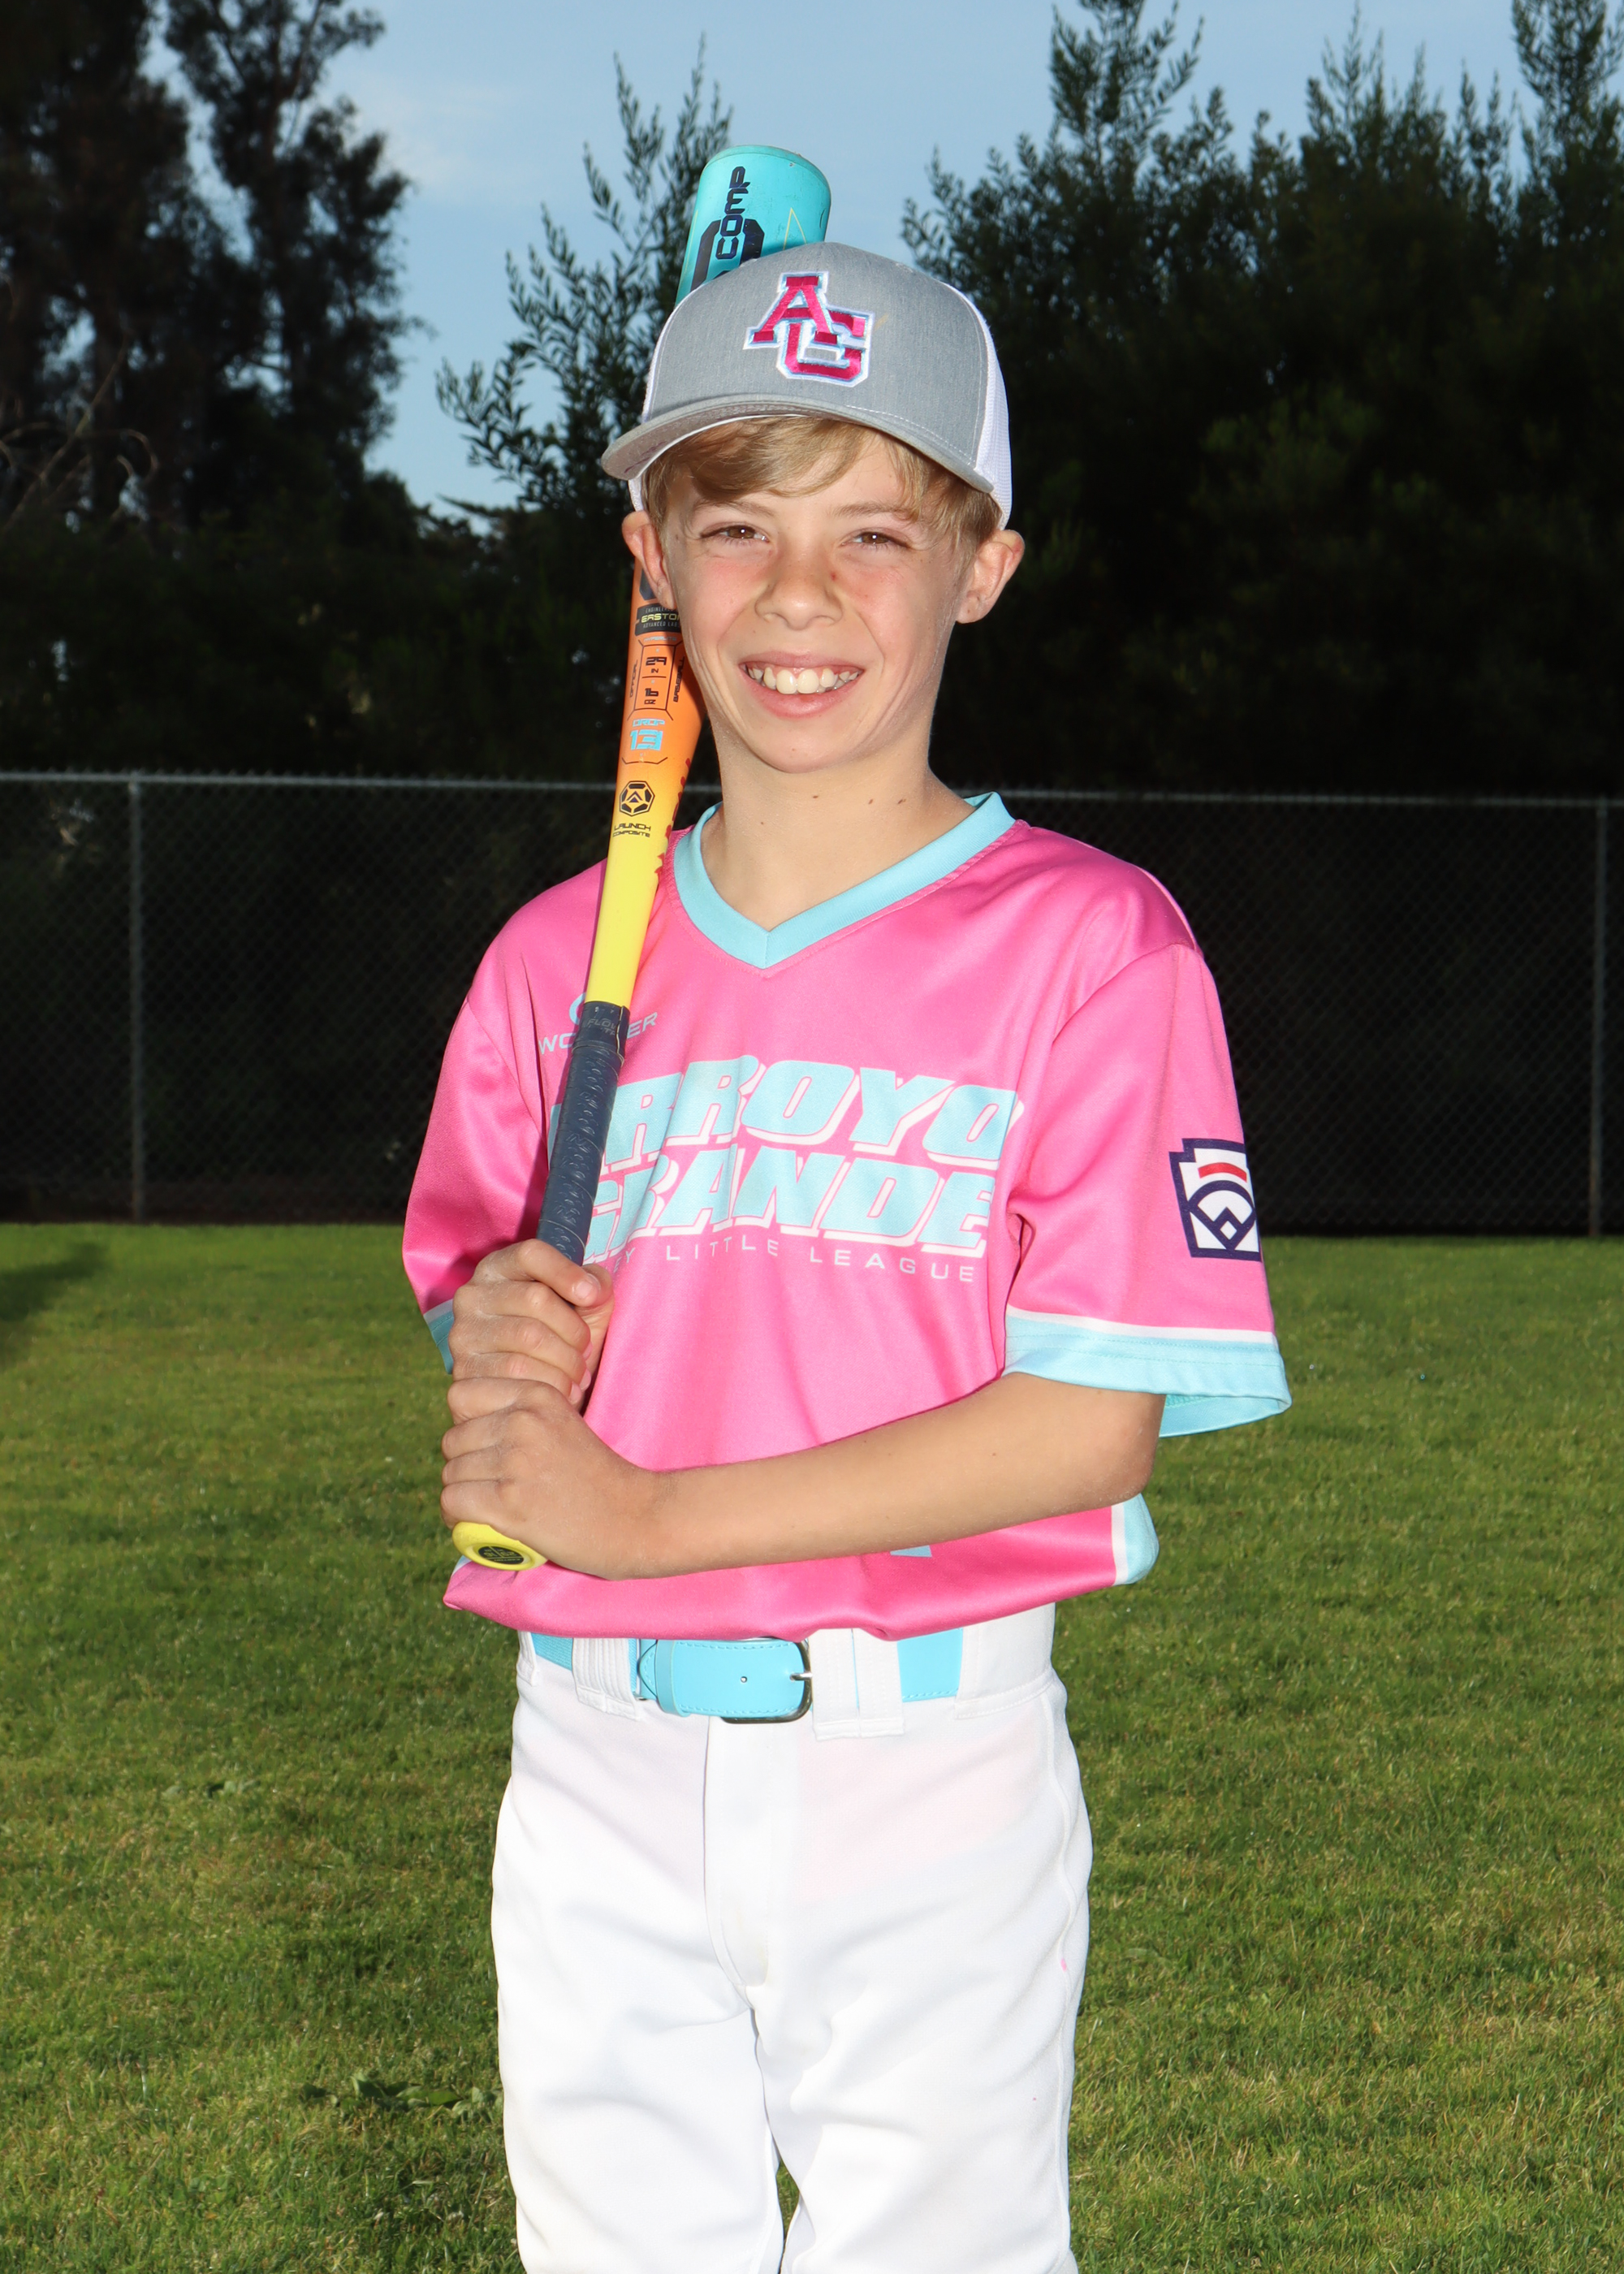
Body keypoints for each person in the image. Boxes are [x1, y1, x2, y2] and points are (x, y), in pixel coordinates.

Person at [403, 244, 1289, 2274]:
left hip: (924, 1758)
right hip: (593, 1749)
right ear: (654, 564)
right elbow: (488, 1306)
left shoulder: (1094, 947)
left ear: (981, 565)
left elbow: (1087, 1422)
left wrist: (650, 1514)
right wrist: (505, 1329)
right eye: (739, 528)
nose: (798, 594)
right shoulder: (553, 960)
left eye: (873, 532)